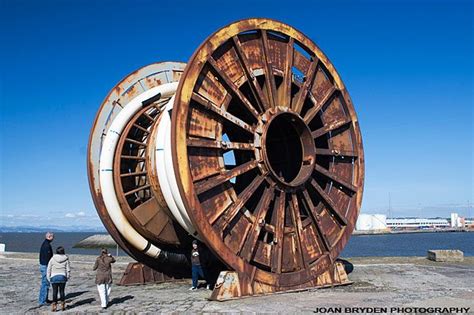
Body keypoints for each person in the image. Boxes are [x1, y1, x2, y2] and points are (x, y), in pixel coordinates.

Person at [47, 246, 70, 311]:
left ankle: (54, 306)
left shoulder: (52, 258)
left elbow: (49, 269)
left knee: (55, 292)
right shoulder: (66, 259)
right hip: (62, 276)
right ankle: (62, 305)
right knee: (62, 291)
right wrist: (67, 277)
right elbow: (68, 269)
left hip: (54, 277)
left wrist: (49, 278)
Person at [38, 232, 54, 305]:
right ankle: (42, 301)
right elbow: (48, 258)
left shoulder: (45, 244)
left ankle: (45, 299)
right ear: (49, 237)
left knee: (46, 283)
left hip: (43, 265)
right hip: (45, 266)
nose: (53, 238)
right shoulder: (46, 245)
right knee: (45, 283)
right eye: (52, 237)